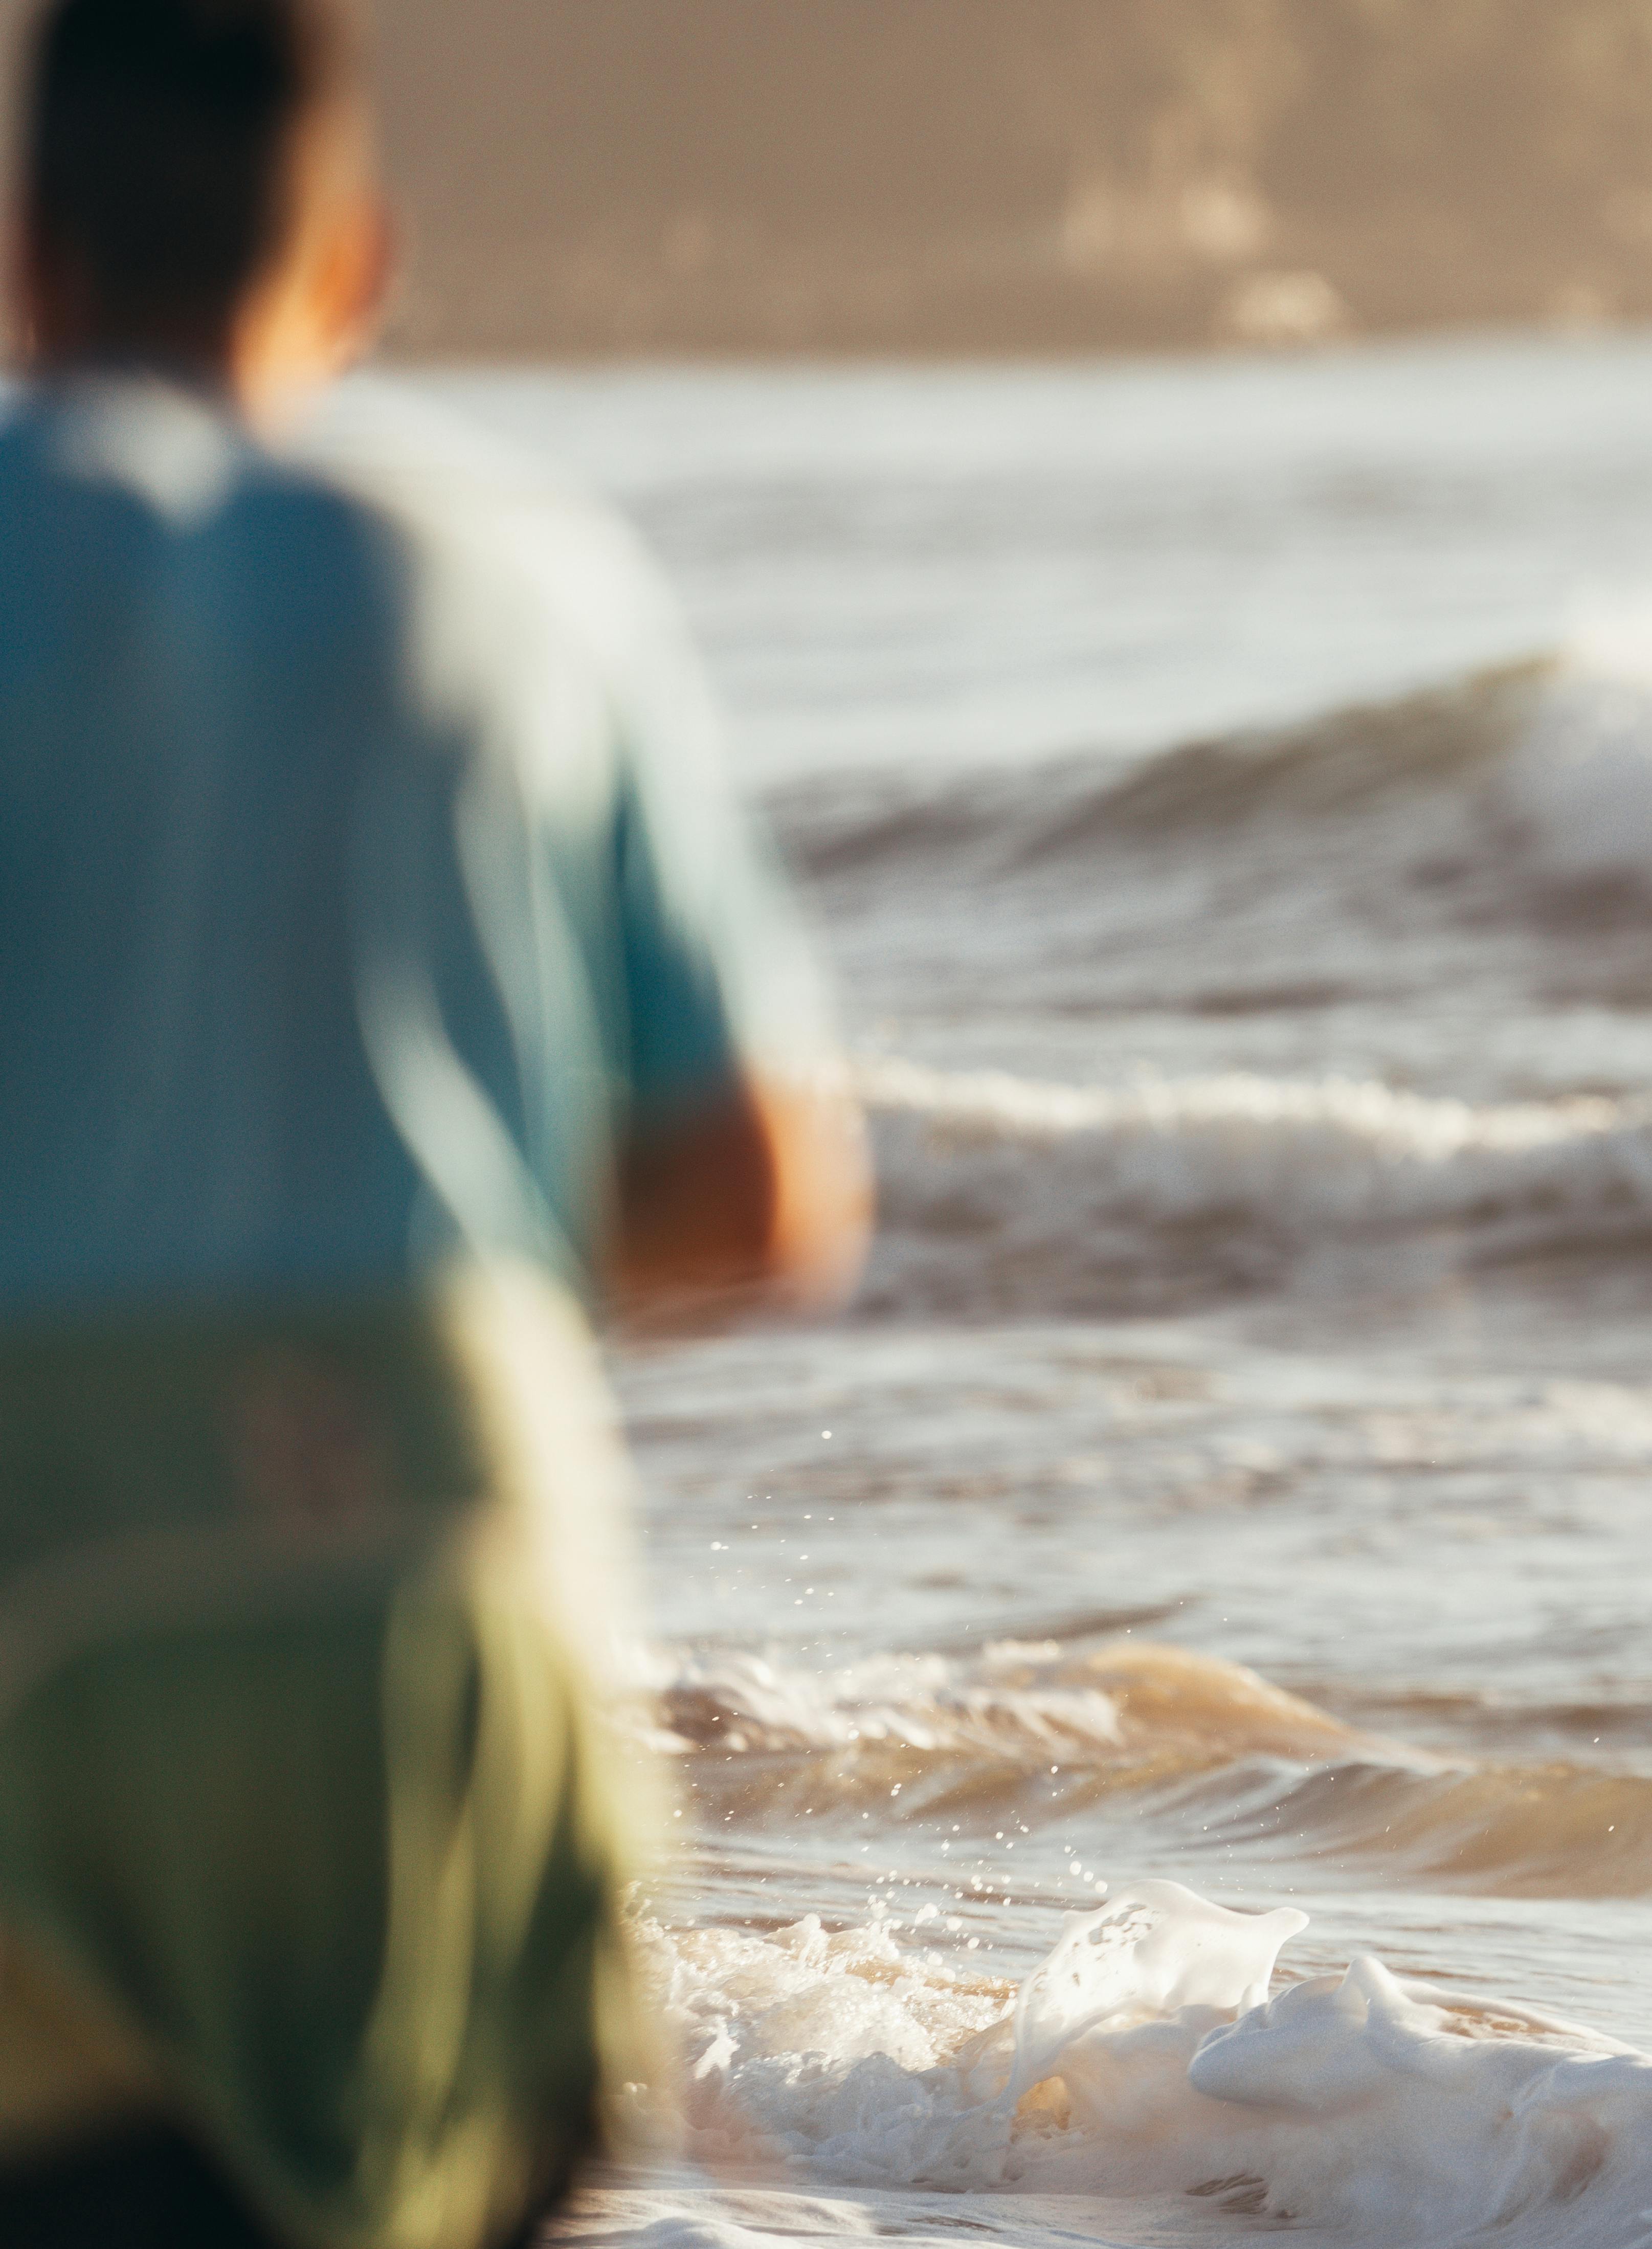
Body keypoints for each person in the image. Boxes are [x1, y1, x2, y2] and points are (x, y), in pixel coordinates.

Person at [0, 2, 867, 2242]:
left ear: (27, 256)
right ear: (361, 259)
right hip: (456, 1570)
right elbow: (763, 1191)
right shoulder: (535, 568)